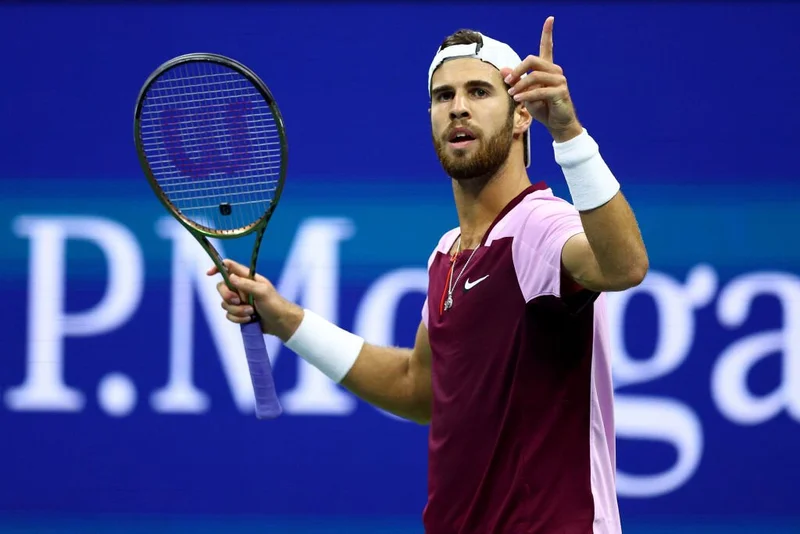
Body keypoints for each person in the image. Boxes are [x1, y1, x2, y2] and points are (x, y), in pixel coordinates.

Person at [208, 16, 647, 534]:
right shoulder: (448, 253)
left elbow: (624, 266)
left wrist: (569, 134)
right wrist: (285, 320)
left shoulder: (540, 227)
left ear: (522, 115)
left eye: (479, 91)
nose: (458, 107)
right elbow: (417, 387)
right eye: (443, 96)